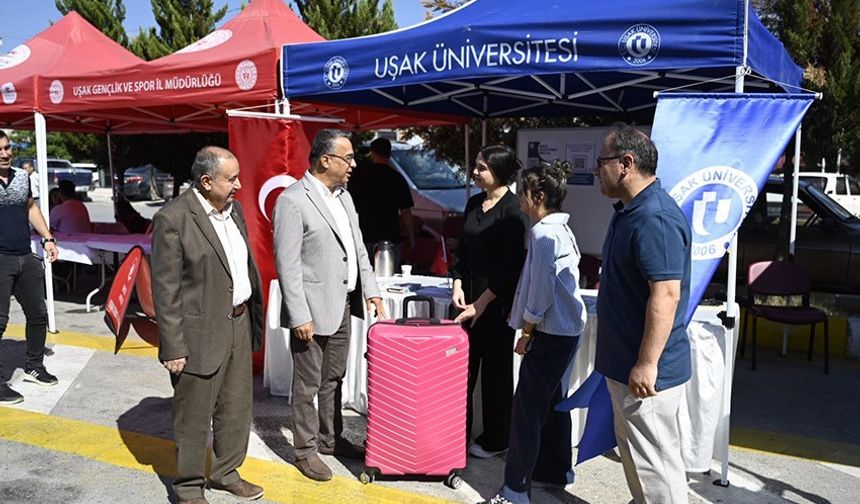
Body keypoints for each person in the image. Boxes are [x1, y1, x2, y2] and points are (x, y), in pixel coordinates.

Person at [151, 146, 265, 504]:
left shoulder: (234, 211)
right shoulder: (173, 218)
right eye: (231, 179)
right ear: (206, 181)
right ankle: (188, 488)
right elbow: (165, 289)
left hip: (238, 321)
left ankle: (226, 473)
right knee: (194, 416)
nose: (238, 185)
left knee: (236, 407)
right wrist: (173, 347)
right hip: (198, 332)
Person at [272, 129, 386, 482]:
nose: (353, 165)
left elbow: (358, 248)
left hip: (343, 304)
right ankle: (305, 451)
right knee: (307, 384)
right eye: (347, 158)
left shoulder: (344, 197)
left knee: (334, 378)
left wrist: (371, 289)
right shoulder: (293, 200)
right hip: (311, 310)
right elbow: (287, 263)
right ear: (325, 160)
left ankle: (330, 438)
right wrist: (298, 314)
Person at [594, 123, 692, 504]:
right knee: (639, 463)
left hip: (648, 377)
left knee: (657, 471)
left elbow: (666, 293)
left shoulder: (655, 217)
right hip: (625, 368)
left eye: (602, 161)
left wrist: (647, 363)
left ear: (626, 164)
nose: (596, 169)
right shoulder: (629, 211)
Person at [481, 160, 588, 504]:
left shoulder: (543, 234)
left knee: (526, 411)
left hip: (550, 333)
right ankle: (554, 471)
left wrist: (526, 332)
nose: (518, 197)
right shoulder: (561, 229)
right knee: (554, 403)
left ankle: (515, 489)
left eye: (523, 191)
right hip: (566, 332)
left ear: (538, 196)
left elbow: (540, 295)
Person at [450, 145, 529, 459]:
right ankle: (457, 432)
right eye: (476, 166)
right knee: (460, 370)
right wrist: (457, 283)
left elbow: (512, 266)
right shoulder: (474, 202)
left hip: (496, 303)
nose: (475, 172)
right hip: (465, 299)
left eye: (482, 168)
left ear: (499, 172)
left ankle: (497, 439)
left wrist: (481, 304)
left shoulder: (513, 209)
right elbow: (462, 251)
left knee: (495, 373)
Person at [0, 131, 59, 404]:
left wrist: (47, 238)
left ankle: (35, 366)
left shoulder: (22, 178)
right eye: (0, 150)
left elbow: (31, 208)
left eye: (7, 147)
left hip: (25, 256)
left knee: (38, 313)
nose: (5, 153)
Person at [348, 137, 415, 269]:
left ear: (372, 153)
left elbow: (349, 205)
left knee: (363, 275)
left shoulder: (358, 175)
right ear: (389, 154)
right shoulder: (397, 178)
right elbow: (406, 211)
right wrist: (411, 237)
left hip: (363, 235)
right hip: (390, 237)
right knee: (389, 276)